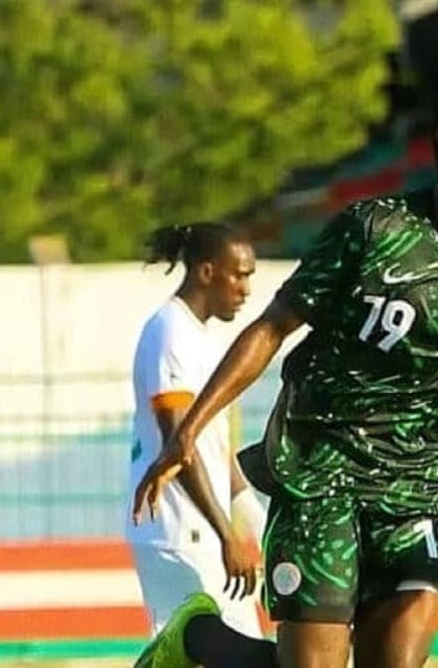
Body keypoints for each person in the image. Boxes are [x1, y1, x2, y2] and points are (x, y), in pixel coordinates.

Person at [130, 75, 438, 668]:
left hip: (414, 496)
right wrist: (188, 432)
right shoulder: (374, 229)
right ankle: (197, 640)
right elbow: (272, 327)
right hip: (320, 478)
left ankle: (202, 641)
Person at [125, 222, 265, 640]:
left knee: (229, 651)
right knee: (220, 652)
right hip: (179, 531)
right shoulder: (170, 333)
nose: (246, 289)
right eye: (239, 274)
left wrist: (255, 521)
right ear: (207, 271)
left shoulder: (201, 338)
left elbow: (215, 449)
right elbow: (178, 447)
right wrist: (227, 535)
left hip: (202, 527)